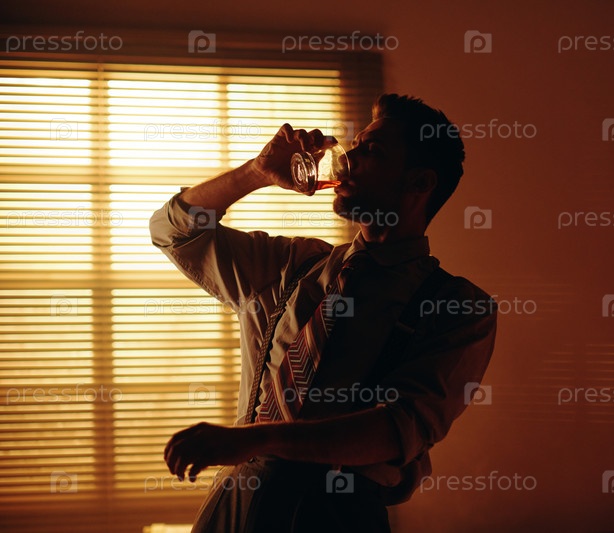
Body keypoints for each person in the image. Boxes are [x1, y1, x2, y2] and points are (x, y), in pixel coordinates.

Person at [149, 93, 497, 532]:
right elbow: (172, 231)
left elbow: (397, 428)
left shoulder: (459, 306)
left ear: (420, 183)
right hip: (234, 505)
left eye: (372, 151)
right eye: (355, 145)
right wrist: (256, 172)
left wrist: (256, 439)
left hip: (336, 515)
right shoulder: (292, 265)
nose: (348, 159)